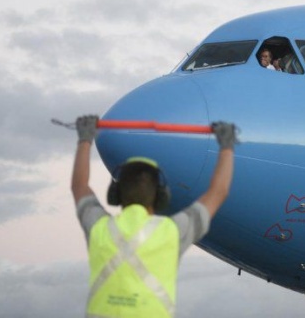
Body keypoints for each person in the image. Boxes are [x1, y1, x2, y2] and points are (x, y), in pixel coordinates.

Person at [71, 115, 238, 318]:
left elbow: (79, 186)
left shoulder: (100, 228)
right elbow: (218, 192)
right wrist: (227, 147)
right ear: (161, 196)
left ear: (115, 194)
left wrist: (85, 140)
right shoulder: (171, 233)